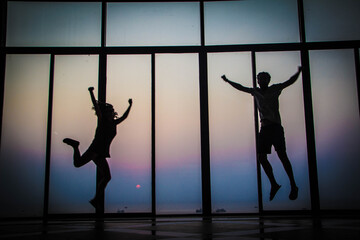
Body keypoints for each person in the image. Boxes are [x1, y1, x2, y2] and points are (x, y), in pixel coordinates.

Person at [221, 66, 302, 201]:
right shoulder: (256, 92)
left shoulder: (274, 89)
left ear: (268, 80)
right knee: (261, 158)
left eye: (265, 79)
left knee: (282, 156)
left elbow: (289, 82)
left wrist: (298, 72)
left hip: (275, 127)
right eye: (260, 79)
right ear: (258, 81)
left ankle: (293, 184)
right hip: (264, 128)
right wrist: (228, 81)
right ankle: (274, 183)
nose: (262, 81)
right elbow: (241, 87)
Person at [63, 87, 133, 208]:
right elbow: (95, 105)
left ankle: (96, 199)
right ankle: (75, 146)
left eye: (111, 111)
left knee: (107, 177)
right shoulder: (102, 121)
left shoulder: (114, 123)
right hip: (95, 150)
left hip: (101, 152)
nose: (111, 113)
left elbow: (124, 116)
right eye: (108, 111)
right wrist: (91, 93)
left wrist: (130, 105)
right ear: (105, 113)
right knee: (78, 164)